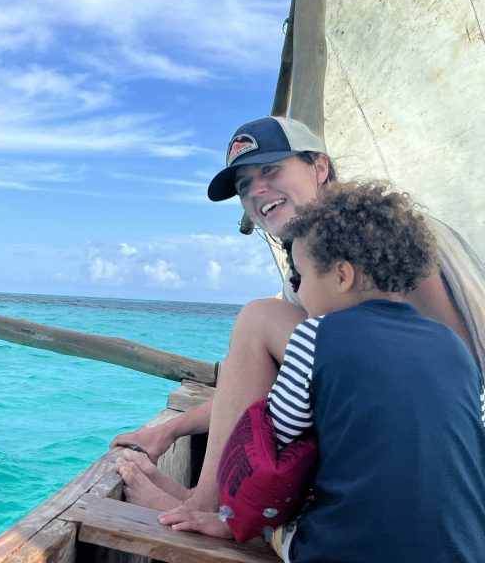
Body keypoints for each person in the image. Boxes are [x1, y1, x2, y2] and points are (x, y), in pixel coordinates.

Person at [111, 116, 482, 514]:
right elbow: (257, 387)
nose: (256, 189)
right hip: (394, 439)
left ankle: (206, 505)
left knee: (257, 318)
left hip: (443, 456)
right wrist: (170, 430)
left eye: (270, 169)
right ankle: (201, 501)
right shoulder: (306, 274)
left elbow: (462, 373)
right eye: (242, 185)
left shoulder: (395, 238)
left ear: (319, 167)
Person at [159, 181, 485, 562]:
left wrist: (232, 520)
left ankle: (202, 511)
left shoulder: (315, 336)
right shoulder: (453, 348)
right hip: (465, 550)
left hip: (345, 551)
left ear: (342, 276)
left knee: (284, 511)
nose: (297, 290)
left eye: (300, 278)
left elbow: (268, 454)